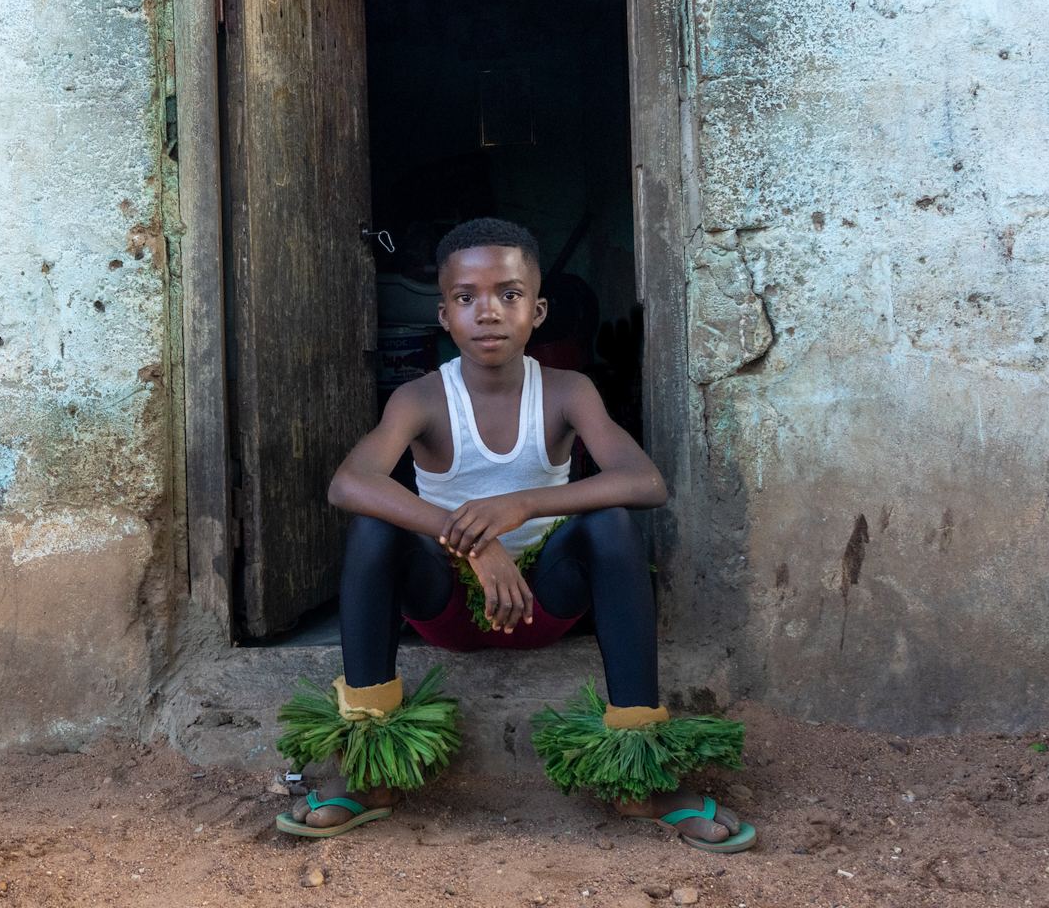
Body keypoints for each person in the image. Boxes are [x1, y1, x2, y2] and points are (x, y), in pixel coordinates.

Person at [275, 217, 753, 851]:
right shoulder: (420, 398)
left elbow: (645, 482)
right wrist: (470, 539)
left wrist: (520, 505)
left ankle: (643, 777)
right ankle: (371, 774)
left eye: (509, 293)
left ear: (538, 309)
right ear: (444, 315)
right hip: (446, 608)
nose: (488, 312)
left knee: (608, 523)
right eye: (466, 298)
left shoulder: (566, 390)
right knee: (373, 529)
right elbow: (349, 482)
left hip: (539, 606)